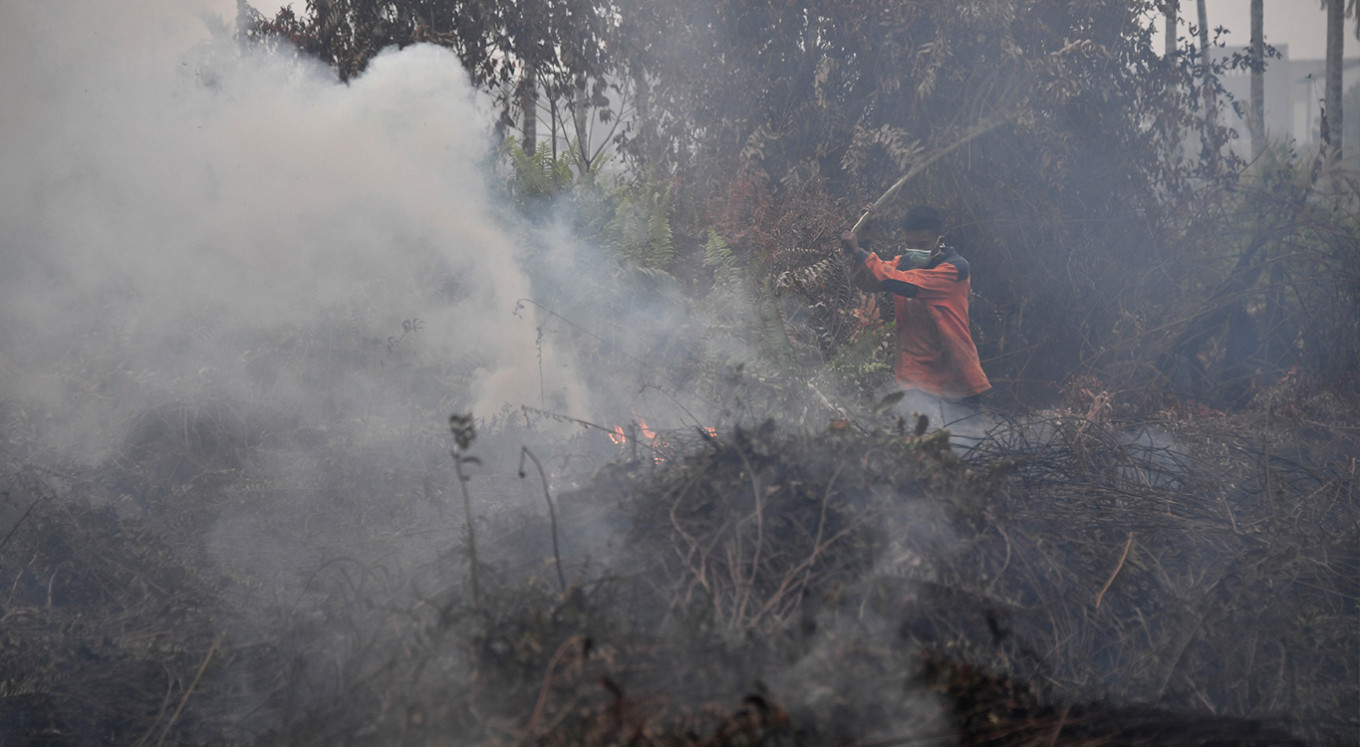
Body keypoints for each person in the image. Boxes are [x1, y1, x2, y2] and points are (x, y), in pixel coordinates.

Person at [840, 204, 990, 412]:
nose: (916, 250)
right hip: (915, 380)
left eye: (923, 244)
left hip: (956, 382)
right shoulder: (904, 263)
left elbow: (904, 282)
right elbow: (869, 279)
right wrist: (863, 238)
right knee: (916, 441)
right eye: (910, 244)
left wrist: (859, 251)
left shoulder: (954, 268)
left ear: (939, 237)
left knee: (963, 442)